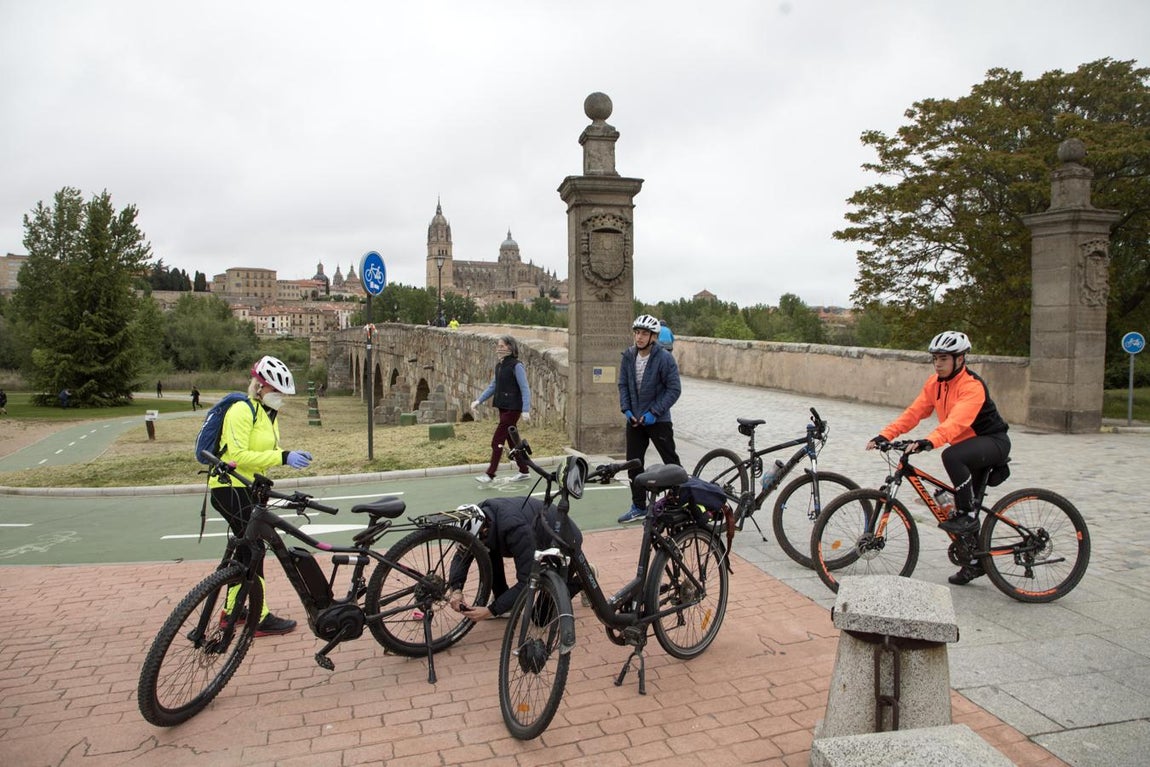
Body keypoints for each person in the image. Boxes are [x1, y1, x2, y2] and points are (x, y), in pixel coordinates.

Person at [866, 331, 1011, 586]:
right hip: (968, 447)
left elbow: (957, 422)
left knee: (952, 458)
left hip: (992, 442)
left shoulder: (972, 386)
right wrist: (884, 435)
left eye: (943, 358)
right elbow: (914, 412)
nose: (938, 363)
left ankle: (966, 514)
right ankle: (974, 562)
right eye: (935, 359)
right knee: (951, 499)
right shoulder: (934, 384)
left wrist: (928, 441)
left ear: (960, 359)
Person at [210, 355, 314, 635]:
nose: (280, 398)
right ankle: (257, 615)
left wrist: (278, 462)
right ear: (260, 387)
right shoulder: (242, 411)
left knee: (247, 550)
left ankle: (235, 611)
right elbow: (238, 454)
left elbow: (261, 454)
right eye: (276, 392)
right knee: (252, 549)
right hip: (230, 488)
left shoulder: (267, 415)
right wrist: (284, 456)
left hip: (250, 488)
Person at [447, 494, 587, 621]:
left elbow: (526, 581)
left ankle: (582, 579)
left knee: (540, 618)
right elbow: (463, 553)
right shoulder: (479, 516)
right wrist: (456, 588)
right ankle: (504, 601)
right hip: (534, 534)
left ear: (484, 530)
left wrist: (491, 611)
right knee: (485, 550)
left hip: (564, 543)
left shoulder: (517, 530)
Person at [617, 314, 683, 523]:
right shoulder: (628, 356)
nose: (639, 337)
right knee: (634, 463)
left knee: (671, 461)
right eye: (637, 332)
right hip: (634, 420)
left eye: (645, 333)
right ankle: (638, 506)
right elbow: (623, 385)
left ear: (653, 336)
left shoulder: (664, 358)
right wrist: (626, 410)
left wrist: (654, 412)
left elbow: (674, 389)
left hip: (658, 420)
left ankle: (681, 500)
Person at [471, 335, 532, 484]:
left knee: (497, 441)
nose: (499, 348)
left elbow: (525, 388)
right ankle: (524, 470)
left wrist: (525, 409)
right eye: (498, 345)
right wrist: (479, 400)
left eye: (503, 345)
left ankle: (490, 474)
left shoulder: (517, 366)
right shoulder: (500, 366)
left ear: (511, 347)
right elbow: (493, 386)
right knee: (512, 441)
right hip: (503, 406)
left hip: (513, 408)